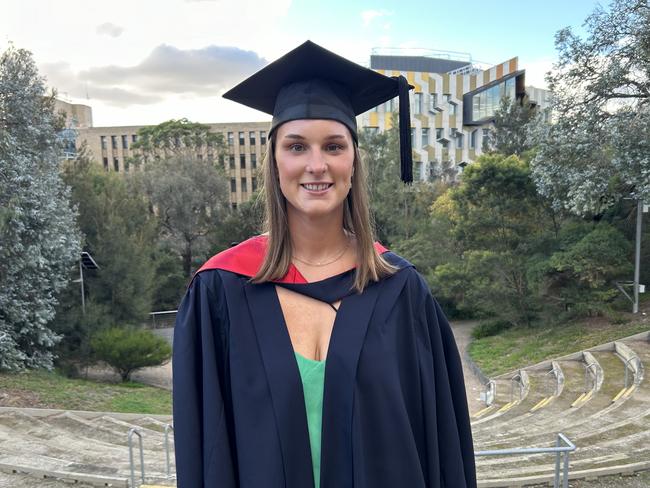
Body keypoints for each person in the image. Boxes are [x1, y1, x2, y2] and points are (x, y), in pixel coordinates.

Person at [172, 40, 476, 488]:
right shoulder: (220, 290)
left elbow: (441, 446)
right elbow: (204, 452)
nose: (317, 165)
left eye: (334, 146)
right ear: (274, 162)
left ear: (354, 161)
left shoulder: (401, 291)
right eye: (296, 147)